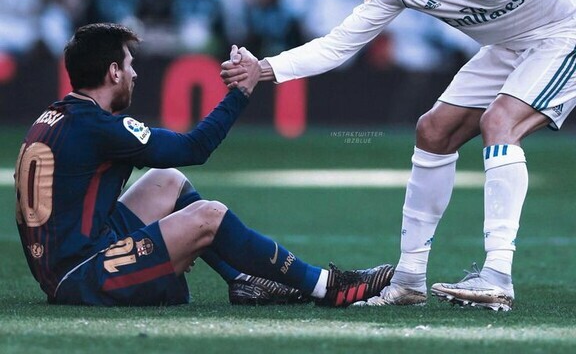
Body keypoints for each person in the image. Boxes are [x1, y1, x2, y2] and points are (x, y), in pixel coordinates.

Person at [222, 0, 576, 312]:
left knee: (499, 123)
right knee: (433, 131)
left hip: (565, 31)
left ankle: (498, 275)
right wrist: (263, 69)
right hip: (508, 46)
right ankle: (409, 279)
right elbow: (338, 45)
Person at [15, 22, 393, 308]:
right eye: (129, 65)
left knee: (166, 180)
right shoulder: (100, 127)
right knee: (209, 216)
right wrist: (241, 91)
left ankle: (243, 280)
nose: (135, 74)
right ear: (113, 72)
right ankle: (328, 287)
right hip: (83, 275)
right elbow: (195, 148)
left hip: (64, 262)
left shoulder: (52, 118)